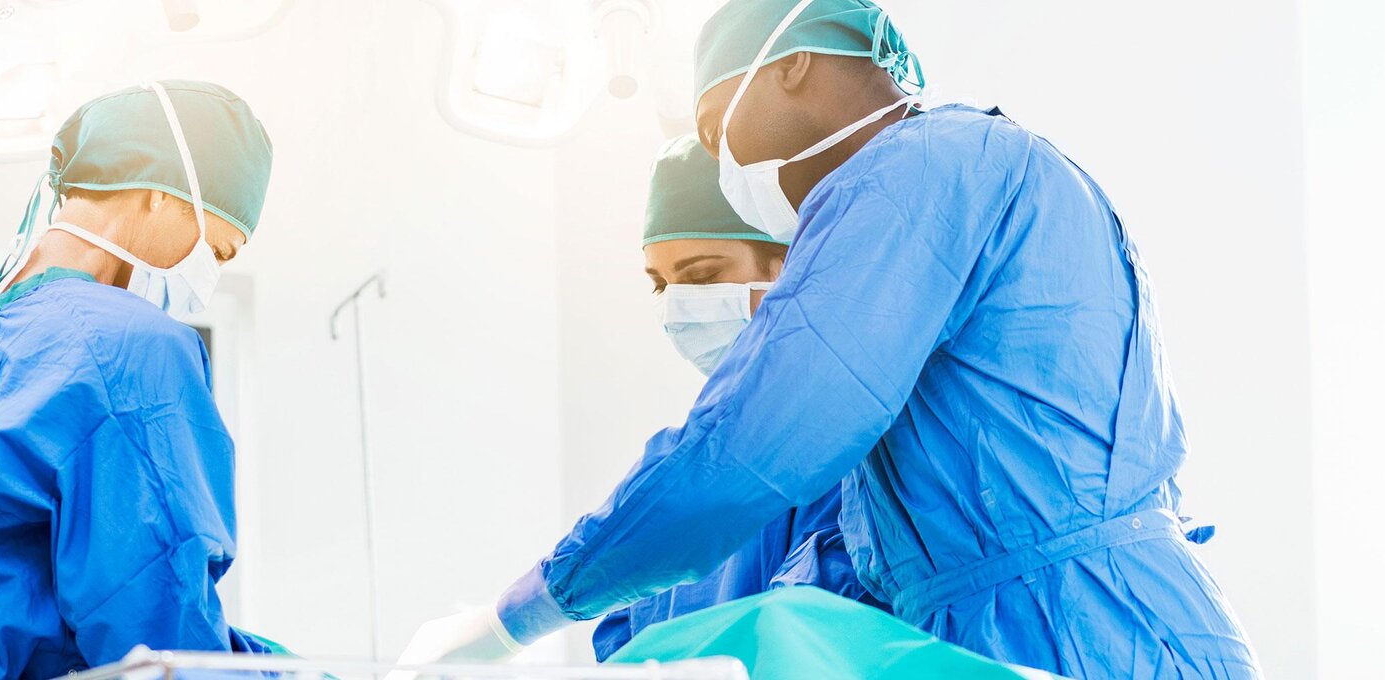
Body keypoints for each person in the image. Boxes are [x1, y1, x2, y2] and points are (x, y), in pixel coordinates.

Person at [398, 1, 1261, 677]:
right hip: (1100, 627)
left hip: (1082, 634)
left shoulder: (915, 169)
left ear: (794, 66)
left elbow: (749, 449)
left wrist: (517, 616)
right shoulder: (996, 172)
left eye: (715, 131)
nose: (728, 169)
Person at [0, 80, 278, 680]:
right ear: (159, 194)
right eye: (217, 250)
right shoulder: (127, 347)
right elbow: (157, 633)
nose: (208, 276)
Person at [589, 135, 883, 662]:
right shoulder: (684, 471)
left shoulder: (856, 447)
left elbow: (820, 629)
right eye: (660, 285)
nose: (678, 304)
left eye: (702, 275)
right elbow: (621, 634)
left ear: (790, 266)